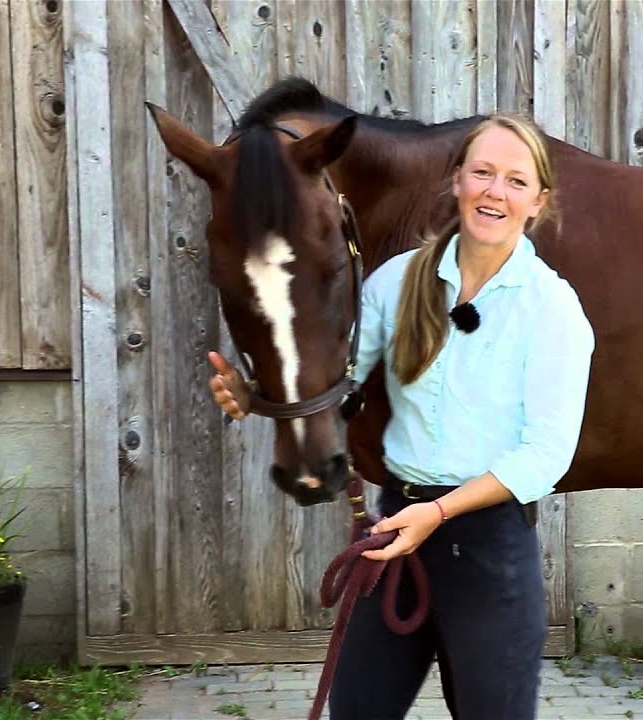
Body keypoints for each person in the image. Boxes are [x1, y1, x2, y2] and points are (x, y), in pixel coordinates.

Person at [208, 114, 595, 719]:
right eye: (483, 173)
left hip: (487, 552)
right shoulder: (398, 281)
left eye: (515, 181)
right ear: (457, 182)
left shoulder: (553, 310)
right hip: (396, 540)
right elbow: (340, 381)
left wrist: (436, 513)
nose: (495, 191)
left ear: (538, 201)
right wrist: (255, 397)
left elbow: (545, 456)